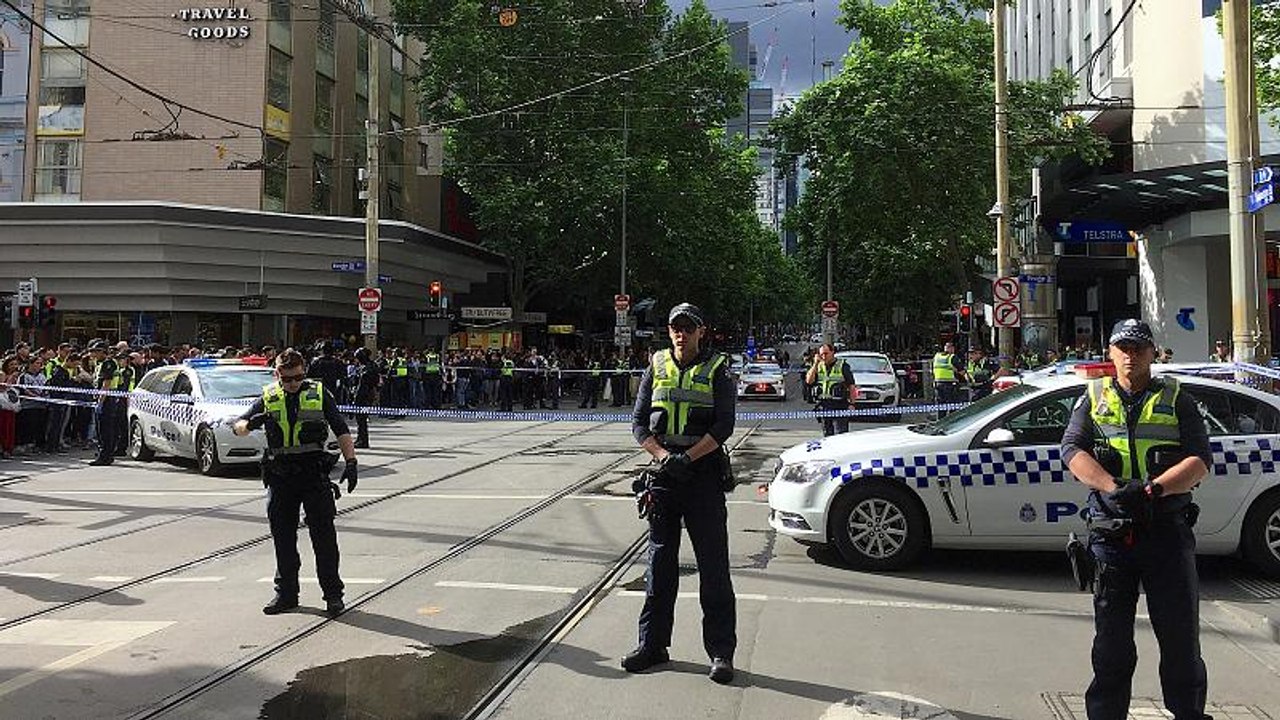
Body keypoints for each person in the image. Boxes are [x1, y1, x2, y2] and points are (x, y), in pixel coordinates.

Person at [1059, 319, 1212, 720]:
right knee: (1111, 644)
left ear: (1152, 353)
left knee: (1180, 641)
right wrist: (1111, 487)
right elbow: (1072, 450)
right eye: (1122, 348)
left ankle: (1189, 714)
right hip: (1112, 536)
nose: (1130, 355)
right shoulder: (1093, 396)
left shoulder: (1177, 398)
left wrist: (1153, 491)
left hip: (1165, 531)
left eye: (1138, 348)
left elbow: (1200, 460)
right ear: (1110, 352)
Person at [624, 303, 737, 684]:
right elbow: (639, 423)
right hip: (664, 479)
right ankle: (652, 645)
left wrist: (687, 457)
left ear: (700, 331)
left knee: (714, 568)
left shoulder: (718, 368)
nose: (681, 334)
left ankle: (721, 652)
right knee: (659, 566)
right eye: (675, 327)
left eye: (688, 327)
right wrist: (662, 456)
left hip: (703, 477)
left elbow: (724, 424)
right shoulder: (655, 365)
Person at [233, 350, 359, 617]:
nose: (293, 383)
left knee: (324, 538)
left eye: (298, 377)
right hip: (280, 477)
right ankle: (286, 594)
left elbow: (341, 427)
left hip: (313, 474)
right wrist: (250, 424)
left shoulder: (319, 394)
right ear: (278, 374)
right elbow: (237, 426)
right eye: (288, 378)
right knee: (283, 538)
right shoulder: (268, 396)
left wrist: (351, 462)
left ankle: (333, 595)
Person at [805, 344, 857, 436]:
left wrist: (852, 404)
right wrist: (815, 364)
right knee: (827, 436)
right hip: (824, 406)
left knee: (840, 435)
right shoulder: (818, 366)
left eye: (826, 353)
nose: (824, 356)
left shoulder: (842, 366)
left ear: (833, 352)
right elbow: (809, 381)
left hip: (840, 405)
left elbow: (851, 386)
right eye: (822, 354)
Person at [87, 340, 123, 466]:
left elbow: (106, 384)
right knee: (100, 428)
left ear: (103, 352)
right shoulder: (99, 363)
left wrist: (100, 402)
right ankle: (104, 453)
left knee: (105, 429)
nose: (93, 354)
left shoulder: (108, 363)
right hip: (102, 397)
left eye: (96, 351)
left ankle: (105, 456)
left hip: (107, 399)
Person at [351, 347, 379, 449]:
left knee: (361, 419)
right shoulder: (373, 365)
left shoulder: (365, 369)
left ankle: (363, 440)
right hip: (370, 393)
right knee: (362, 419)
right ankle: (361, 439)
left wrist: (355, 398)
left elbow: (362, 386)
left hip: (363, 396)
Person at [932, 341, 964, 416]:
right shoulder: (952, 357)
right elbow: (962, 372)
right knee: (953, 406)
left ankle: (941, 420)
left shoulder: (937, 356)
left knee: (941, 406)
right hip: (950, 385)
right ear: (952, 348)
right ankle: (952, 422)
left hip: (938, 384)